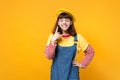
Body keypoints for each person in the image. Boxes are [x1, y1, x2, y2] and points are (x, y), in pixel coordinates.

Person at [44, 9, 95, 80]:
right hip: (57, 74)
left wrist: (82, 64)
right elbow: (49, 56)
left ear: (71, 22)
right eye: (61, 20)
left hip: (72, 74)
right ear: (58, 22)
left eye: (67, 20)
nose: (64, 22)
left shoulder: (78, 38)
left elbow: (90, 52)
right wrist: (53, 40)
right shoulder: (52, 36)